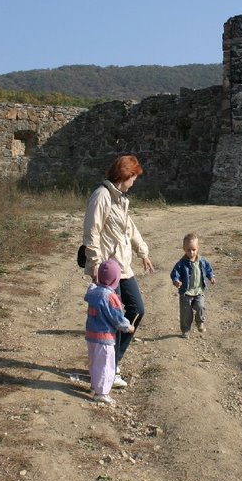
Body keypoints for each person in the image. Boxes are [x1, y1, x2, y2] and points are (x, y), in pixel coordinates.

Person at [81, 155, 155, 388]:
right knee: (113, 319)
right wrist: (94, 265)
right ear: (125, 176)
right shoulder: (101, 196)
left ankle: (114, 362)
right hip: (108, 270)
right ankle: (108, 370)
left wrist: (143, 251)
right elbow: (91, 232)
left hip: (124, 266)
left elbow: (129, 228)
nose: (135, 181)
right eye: (134, 177)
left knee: (136, 310)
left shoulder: (121, 199)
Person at [84, 260, 135, 405]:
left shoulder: (93, 292)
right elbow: (117, 318)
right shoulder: (110, 297)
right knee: (106, 365)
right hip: (104, 337)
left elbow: (90, 288)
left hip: (91, 335)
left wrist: (95, 281)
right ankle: (102, 393)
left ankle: (95, 385)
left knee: (94, 362)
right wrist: (128, 327)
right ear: (115, 279)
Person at [170, 233, 216, 337]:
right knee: (186, 313)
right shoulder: (181, 263)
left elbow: (209, 270)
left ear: (198, 248)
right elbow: (174, 274)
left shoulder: (202, 261)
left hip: (199, 291)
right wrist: (176, 281)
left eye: (194, 250)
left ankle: (200, 322)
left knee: (200, 307)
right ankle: (185, 330)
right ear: (184, 249)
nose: (191, 252)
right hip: (186, 293)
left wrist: (211, 277)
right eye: (188, 250)